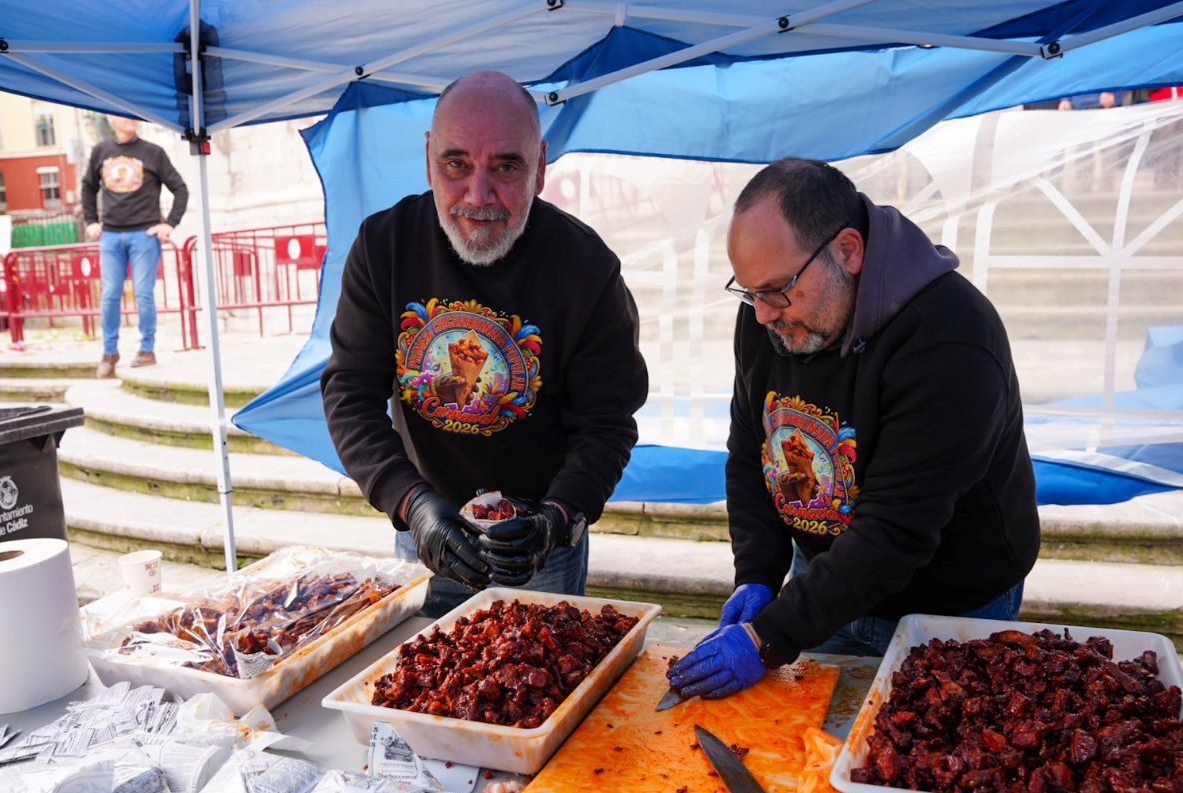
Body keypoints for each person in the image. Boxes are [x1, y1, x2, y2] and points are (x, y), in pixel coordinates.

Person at [667, 158, 1040, 700]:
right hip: (823, 582)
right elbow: (751, 449)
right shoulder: (770, 312)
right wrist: (758, 573)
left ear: (848, 250)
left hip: (947, 603)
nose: (762, 315)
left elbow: (894, 531)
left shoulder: (951, 338)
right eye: (749, 293)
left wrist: (770, 636)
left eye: (777, 290)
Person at [321, 71, 649, 617]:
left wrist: (558, 518)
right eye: (456, 164)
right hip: (424, 536)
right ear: (429, 158)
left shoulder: (586, 267)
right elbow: (349, 394)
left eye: (506, 166)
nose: (479, 195)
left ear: (540, 167)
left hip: (542, 549)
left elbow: (607, 422)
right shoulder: (384, 247)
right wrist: (411, 502)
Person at [81, 116, 188, 379]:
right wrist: (91, 221)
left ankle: (147, 349)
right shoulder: (101, 151)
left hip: (144, 235)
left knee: (143, 293)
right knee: (110, 295)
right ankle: (109, 354)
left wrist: (169, 224)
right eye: (123, 114)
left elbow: (180, 189)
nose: (130, 118)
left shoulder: (153, 152)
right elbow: (88, 188)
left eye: (133, 114)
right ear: (112, 118)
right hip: (111, 236)